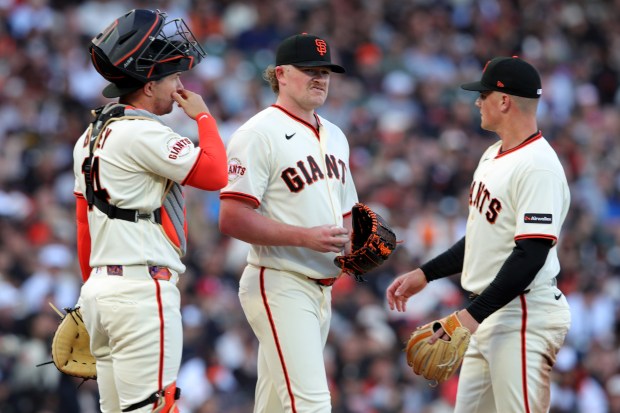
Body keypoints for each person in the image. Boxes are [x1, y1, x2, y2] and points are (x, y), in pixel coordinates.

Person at [386, 56, 571, 413]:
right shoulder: (492, 155)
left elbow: (530, 254)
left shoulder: (539, 166)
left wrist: (471, 317)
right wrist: (426, 273)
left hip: (523, 315)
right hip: (488, 313)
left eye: (483, 94)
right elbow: (482, 236)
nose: (477, 102)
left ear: (504, 101)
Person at [72, 9, 228, 413]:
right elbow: (215, 173)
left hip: (100, 293)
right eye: (173, 77)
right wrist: (204, 117)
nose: (179, 87)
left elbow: (83, 227)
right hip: (141, 291)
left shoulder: (88, 137)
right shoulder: (143, 132)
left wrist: (91, 294)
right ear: (147, 85)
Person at [219, 33, 358, 412]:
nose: (321, 79)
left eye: (326, 71)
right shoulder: (257, 133)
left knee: (277, 406)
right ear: (280, 74)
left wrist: (357, 246)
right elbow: (231, 217)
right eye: (310, 70)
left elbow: (346, 214)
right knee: (311, 404)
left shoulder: (336, 136)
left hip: (321, 289)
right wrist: (305, 237)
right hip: (280, 280)